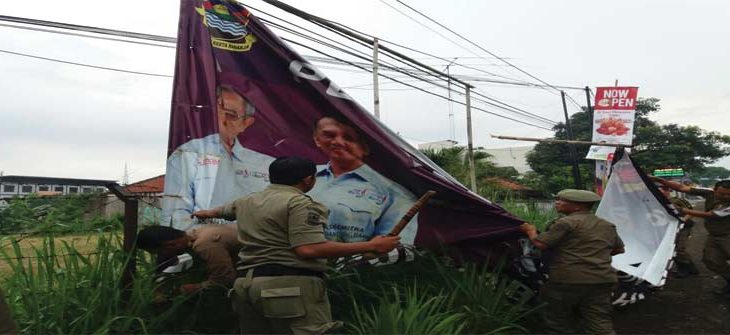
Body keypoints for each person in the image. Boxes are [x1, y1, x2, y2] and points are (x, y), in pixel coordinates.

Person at [192, 156, 401, 334]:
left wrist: (207, 213)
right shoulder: (300, 203)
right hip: (287, 289)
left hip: (246, 289)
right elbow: (308, 249)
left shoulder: (247, 201)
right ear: (308, 180)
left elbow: (224, 210)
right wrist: (372, 246)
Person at [162, 84, 274, 230]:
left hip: (257, 245)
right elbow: (176, 212)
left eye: (230, 114)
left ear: (246, 122)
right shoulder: (188, 153)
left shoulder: (265, 163)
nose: (220, 121)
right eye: (216, 113)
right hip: (205, 242)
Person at [520, 189, 625, 334]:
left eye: (561, 200)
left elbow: (541, 244)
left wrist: (530, 230)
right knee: (599, 320)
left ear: (577, 206)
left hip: (567, 280)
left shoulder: (565, 223)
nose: (557, 203)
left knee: (558, 320)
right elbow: (618, 249)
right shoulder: (606, 225)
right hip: (602, 279)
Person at [308, 116, 418, 244]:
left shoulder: (395, 194)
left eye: (349, 138)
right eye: (329, 135)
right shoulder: (296, 176)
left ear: (365, 146)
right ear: (317, 139)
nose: (338, 142)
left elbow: (397, 247)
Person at [653, 178, 730, 295]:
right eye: (722, 194)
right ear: (714, 190)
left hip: (727, 236)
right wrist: (659, 180)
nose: (726, 197)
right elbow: (681, 188)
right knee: (711, 260)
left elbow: (710, 215)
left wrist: (679, 209)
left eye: (728, 194)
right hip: (714, 236)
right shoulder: (709, 193)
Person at [136, 224, 241, 293]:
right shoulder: (193, 234)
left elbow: (225, 279)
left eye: (159, 252)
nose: (162, 255)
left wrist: (195, 287)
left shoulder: (204, 244)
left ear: (171, 245)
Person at [656, 183, 699, 277]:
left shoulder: (677, 200)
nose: (662, 191)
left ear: (669, 191)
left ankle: (684, 268)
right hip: (668, 228)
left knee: (679, 248)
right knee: (672, 249)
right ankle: (690, 268)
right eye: (660, 190)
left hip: (683, 227)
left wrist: (683, 220)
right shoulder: (657, 202)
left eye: (664, 189)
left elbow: (691, 211)